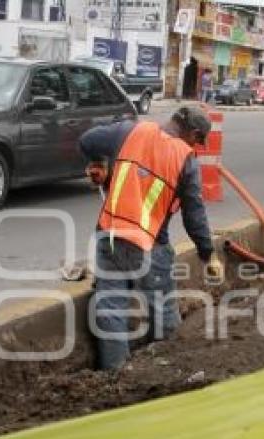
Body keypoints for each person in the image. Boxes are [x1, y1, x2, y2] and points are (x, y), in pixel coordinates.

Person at [79, 106, 223, 371]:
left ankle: (116, 375)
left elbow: (87, 141)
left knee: (110, 308)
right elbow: (194, 214)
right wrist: (208, 253)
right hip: (150, 244)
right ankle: (167, 371)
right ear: (192, 133)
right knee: (163, 307)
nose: (198, 146)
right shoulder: (184, 157)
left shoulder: (130, 130)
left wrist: (100, 164)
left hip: (110, 236)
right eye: (199, 140)